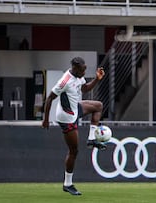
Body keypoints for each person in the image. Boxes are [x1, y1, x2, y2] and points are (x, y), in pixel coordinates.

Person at [42, 57, 107, 196]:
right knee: (74, 151)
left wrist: (97, 79)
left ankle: (91, 139)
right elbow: (49, 98)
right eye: (83, 70)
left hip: (75, 109)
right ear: (76, 68)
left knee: (98, 106)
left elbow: (84, 89)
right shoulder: (65, 81)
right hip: (66, 117)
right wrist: (46, 119)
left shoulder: (79, 77)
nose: (84, 72)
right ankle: (68, 184)